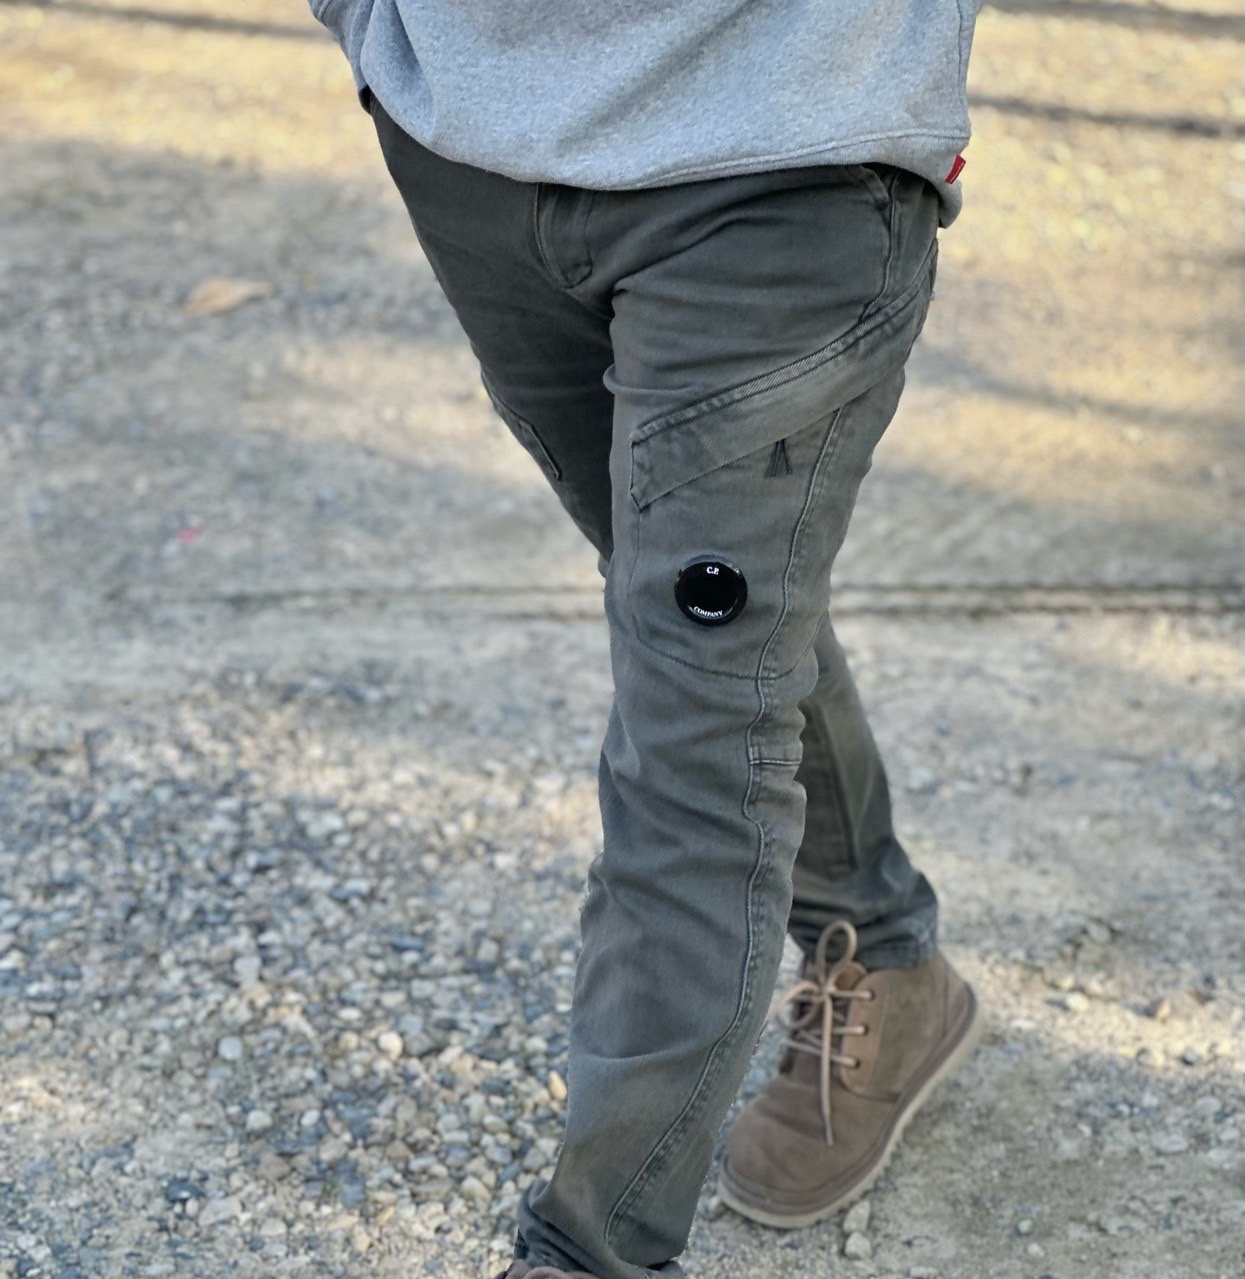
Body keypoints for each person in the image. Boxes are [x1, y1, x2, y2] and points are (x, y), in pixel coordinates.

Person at [307, 2, 985, 1275]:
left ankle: (588, 1250)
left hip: (779, 161)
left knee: (692, 736)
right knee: (698, 626)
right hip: (473, 151)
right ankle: (890, 962)